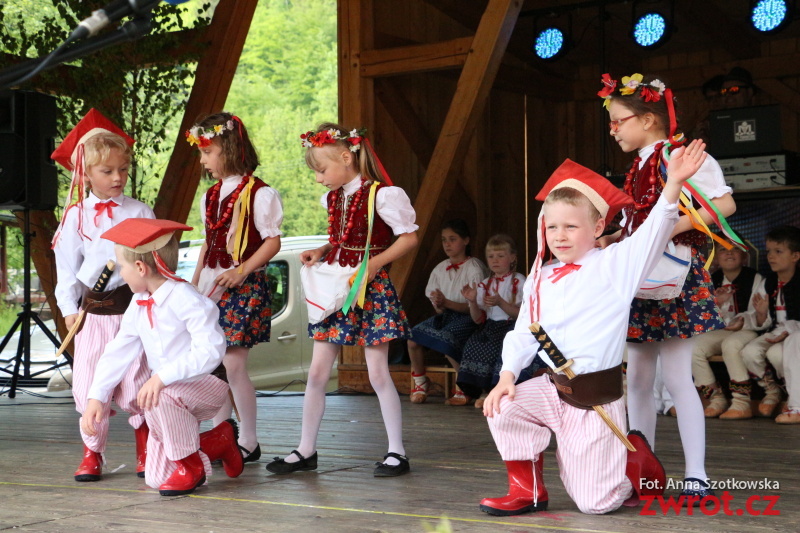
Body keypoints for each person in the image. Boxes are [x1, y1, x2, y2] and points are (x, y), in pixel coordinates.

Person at [481, 145, 707, 515]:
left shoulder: (616, 265)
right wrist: (507, 376)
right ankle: (528, 491)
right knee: (505, 405)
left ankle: (637, 468)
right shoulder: (540, 276)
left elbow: (653, 233)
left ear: (598, 227)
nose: (560, 235)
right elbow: (524, 330)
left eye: (571, 226)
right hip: (553, 388)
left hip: (594, 402)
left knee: (595, 505)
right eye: (552, 226)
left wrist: (675, 184)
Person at [600, 72, 738, 497]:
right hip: (640, 278)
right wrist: (613, 238)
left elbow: (727, 202)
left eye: (619, 120)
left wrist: (667, 227)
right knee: (638, 378)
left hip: (675, 277)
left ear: (647, 119)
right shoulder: (639, 165)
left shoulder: (680, 155)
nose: (613, 129)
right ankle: (646, 471)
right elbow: (634, 222)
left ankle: (696, 474)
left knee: (678, 377)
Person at [266, 123, 418, 477]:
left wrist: (374, 265)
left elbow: (409, 238)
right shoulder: (333, 197)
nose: (319, 179)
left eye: (321, 170)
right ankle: (306, 449)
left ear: (347, 157)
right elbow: (341, 239)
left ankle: (397, 451)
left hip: (369, 290)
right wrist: (322, 249)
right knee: (318, 372)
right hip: (337, 290)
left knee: (378, 373)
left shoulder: (382, 195)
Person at [81, 218, 244, 496]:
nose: (121, 273)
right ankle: (220, 440)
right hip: (168, 393)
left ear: (141, 268)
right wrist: (97, 395)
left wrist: (161, 378)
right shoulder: (138, 301)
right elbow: (118, 349)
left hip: (206, 383)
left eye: (123, 267)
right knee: (157, 478)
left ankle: (191, 468)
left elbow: (211, 350)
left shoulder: (186, 298)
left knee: (159, 394)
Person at [51, 109, 154, 482]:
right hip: (92, 317)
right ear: (85, 174)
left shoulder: (140, 211)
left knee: (138, 383)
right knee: (89, 385)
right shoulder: (75, 217)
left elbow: (152, 265)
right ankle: (92, 454)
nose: (117, 178)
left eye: (122, 170)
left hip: (133, 312)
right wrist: (67, 311)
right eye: (107, 172)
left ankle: (147, 449)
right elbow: (66, 272)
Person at [187, 112, 283, 464]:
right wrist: (196, 282)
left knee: (233, 363)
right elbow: (207, 243)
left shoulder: (260, 194)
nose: (203, 160)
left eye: (207, 152)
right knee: (215, 362)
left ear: (227, 148)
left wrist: (242, 270)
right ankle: (222, 433)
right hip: (214, 284)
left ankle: (250, 440)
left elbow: (271, 242)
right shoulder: (210, 196)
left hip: (243, 286)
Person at [407, 219, 488, 404]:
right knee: (413, 337)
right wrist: (439, 303)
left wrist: (447, 303)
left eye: (453, 239)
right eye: (444, 240)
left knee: (448, 339)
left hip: (469, 318)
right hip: (447, 315)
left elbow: (476, 308)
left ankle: (465, 386)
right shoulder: (440, 268)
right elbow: (438, 308)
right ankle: (420, 382)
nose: (447, 244)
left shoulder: (474, 268)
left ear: (466, 241)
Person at [457, 234, 541, 409]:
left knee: (497, 348)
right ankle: (480, 389)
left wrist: (501, 303)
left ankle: (494, 388)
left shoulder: (520, 282)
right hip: (490, 326)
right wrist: (472, 301)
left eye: (500, 256)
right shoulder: (485, 284)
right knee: (473, 344)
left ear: (512, 258)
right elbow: (478, 319)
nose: (495, 260)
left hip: (510, 326)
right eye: (491, 256)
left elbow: (522, 316)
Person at [692, 244, 762, 419]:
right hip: (721, 330)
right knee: (693, 347)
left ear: (744, 256)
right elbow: (701, 315)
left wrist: (741, 321)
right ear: (715, 258)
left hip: (748, 329)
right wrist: (716, 302)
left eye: (735, 249)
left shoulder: (755, 278)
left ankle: (741, 403)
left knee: (731, 345)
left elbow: (759, 312)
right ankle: (716, 399)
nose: (729, 253)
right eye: (723, 250)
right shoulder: (710, 279)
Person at [740, 225, 800, 422]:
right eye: (769, 252)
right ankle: (773, 389)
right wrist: (761, 314)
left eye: (778, 251)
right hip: (776, 331)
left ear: (795, 256)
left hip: (795, 334)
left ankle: (795, 404)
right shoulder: (768, 282)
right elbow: (760, 319)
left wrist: (790, 330)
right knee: (749, 352)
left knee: (779, 352)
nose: (771, 256)